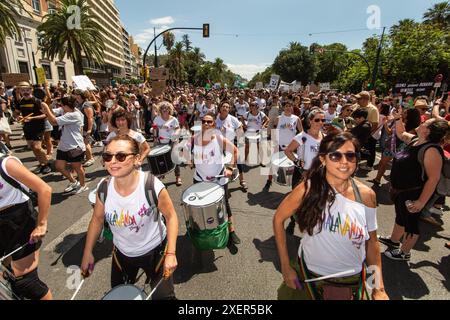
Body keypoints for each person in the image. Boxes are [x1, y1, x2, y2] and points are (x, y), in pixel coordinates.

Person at [274, 132, 388, 300]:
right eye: (335, 155)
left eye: (350, 155)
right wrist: (285, 266)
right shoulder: (307, 189)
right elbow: (278, 219)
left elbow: (372, 243)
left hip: (351, 282)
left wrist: (378, 288)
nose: (344, 162)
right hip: (308, 276)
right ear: (323, 159)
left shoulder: (367, 195)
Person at [81, 134, 178, 299]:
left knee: (164, 297)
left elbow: (171, 217)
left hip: (155, 252)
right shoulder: (103, 188)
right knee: (120, 295)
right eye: (107, 156)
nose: (112, 161)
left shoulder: (151, 186)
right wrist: (87, 252)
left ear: (137, 159)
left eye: (120, 156)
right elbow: (97, 220)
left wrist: (171, 253)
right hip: (122, 254)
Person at [379, 112, 450, 261]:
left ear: (428, 130)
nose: (422, 121)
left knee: (411, 223)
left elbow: (433, 179)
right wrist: (398, 118)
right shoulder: (416, 140)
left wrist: (421, 202)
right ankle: (393, 241)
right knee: (401, 216)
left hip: (414, 193)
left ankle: (405, 252)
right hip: (401, 191)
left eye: (426, 122)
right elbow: (400, 133)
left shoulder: (431, 150)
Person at [0, 154, 52, 300]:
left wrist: (41, 224)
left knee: (26, 282)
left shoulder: (6, 164)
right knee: (8, 277)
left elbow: (44, 190)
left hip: (20, 220)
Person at [191, 113, 241, 248]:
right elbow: (188, 156)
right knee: (201, 206)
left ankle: (231, 231)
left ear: (213, 124)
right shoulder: (193, 139)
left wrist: (230, 168)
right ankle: (204, 232)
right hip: (200, 179)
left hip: (219, 179)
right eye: (204, 121)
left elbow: (235, 151)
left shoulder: (218, 138)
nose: (206, 124)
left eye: (209, 122)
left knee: (225, 204)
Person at [284, 109, 325, 234]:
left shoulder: (324, 137)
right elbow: (288, 151)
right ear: (310, 121)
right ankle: (292, 220)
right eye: (317, 120)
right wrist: (297, 161)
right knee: (297, 200)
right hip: (303, 173)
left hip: (318, 174)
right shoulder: (302, 137)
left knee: (315, 201)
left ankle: (311, 225)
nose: (320, 122)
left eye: (323, 120)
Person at [41, 96, 89, 194]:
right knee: (59, 166)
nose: (60, 107)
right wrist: (48, 105)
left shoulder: (74, 114)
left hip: (75, 146)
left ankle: (83, 185)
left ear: (67, 105)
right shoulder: (66, 110)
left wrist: (46, 109)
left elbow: (53, 122)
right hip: (64, 145)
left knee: (77, 168)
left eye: (62, 105)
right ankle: (74, 182)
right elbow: (52, 112)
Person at [263, 99, 302, 191]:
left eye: (290, 106)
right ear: (283, 108)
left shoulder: (296, 119)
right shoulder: (278, 118)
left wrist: (301, 144)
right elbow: (275, 132)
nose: (288, 108)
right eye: (286, 106)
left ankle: (294, 185)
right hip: (279, 145)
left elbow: (301, 133)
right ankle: (269, 180)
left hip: (292, 147)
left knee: (294, 165)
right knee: (273, 164)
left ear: (292, 108)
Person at [13, 82, 51, 174]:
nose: (25, 92)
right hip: (27, 128)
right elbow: (16, 113)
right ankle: (42, 164)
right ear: (20, 91)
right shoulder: (20, 102)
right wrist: (18, 117)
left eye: (27, 90)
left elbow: (45, 115)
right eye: (23, 90)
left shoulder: (37, 101)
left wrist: (32, 118)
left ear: (31, 90)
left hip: (38, 127)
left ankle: (47, 164)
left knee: (37, 147)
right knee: (33, 148)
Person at [215, 102, 248, 191]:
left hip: (231, 144)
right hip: (218, 146)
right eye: (223, 106)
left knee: (238, 162)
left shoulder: (232, 119)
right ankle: (220, 182)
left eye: (227, 107)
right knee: (220, 163)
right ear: (220, 108)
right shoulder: (215, 119)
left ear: (229, 109)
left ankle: (242, 180)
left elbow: (240, 127)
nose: (225, 108)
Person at [153, 102, 182, 186]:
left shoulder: (173, 119)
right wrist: (155, 139)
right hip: (161, 142)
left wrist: (175, 135)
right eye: (163, 108)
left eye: (167, 108)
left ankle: (178, 176)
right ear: (160, 110)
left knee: (175, 158)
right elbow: (155, 129)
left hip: (172, 141)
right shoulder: (157, 119)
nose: (165, 110)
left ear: (170, 109)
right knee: (161, 159)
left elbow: (178, 129)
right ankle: (161, 175)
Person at [352, 91, 379, 171]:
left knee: (370, 149)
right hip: (356, 133)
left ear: (365, 100)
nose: (357, 100)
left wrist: (367, 135)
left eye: (358, 99)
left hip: (368, 135)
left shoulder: (373, 109)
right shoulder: (356, 106)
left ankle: (369, 165)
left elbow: (375, 125)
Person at [73, 89, 95, 167]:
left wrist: (89, 130)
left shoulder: (86, 105)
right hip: (81, 127)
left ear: (80, 96)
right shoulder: (78, 103)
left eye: (75, 94)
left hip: (87, 127)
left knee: (85, 142)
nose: (74, 95)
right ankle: (87, 156)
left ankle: (90, 158)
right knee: (83, 142)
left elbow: (90, 118)